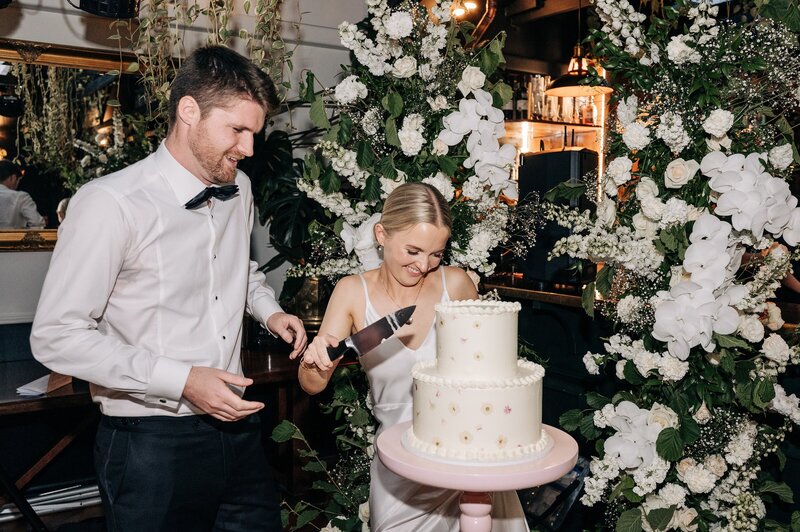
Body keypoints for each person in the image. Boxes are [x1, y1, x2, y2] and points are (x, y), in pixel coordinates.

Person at [30, 45, 307, 531]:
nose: (249, 149)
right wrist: (180, 380)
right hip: (149, 443)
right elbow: (56, 335)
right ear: (189, 111)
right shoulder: (110, 203)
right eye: (237, 130)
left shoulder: (238, 188)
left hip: (238, 428)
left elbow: (239, 269)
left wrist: (268, 310)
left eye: (254, 133)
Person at [297, 183, 529, 532]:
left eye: (436, 254)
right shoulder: (352, 293)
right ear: (381, 235)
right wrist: (316, 361)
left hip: (465, 463)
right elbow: (311, 385)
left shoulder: (458, 285)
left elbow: (492, 372)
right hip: (398, 476)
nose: (424, 265)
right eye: (413, 250)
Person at [0, 159, 46, 229]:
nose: (17, 184)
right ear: (13, 178)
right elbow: (37, 223)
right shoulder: (21, 197)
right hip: (13, 239)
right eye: (18, 180)